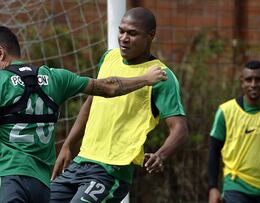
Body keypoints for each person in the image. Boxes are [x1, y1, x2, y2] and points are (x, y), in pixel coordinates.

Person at [0, 26, 167, 203]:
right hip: (42, 188)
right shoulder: (55, 78)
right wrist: (145, 78)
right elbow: (108, 87)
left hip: (9, 181)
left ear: (0, 53)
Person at [50, 7, 188, 203]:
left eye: (132, 33)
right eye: (121, 31)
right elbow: (91, 104)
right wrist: (68, 146)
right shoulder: (109, 57)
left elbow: (180, 129)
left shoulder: (161, 77)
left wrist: (161, 155)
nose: (123, 38)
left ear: (151, 35)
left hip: (111, 171)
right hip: (82, 161)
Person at [208, 60, 260, 203]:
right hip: (237, 186)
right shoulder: (226, 111)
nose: (253, 84)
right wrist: (213, 187)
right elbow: (214, 150)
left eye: (258, 79)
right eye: (248, 79)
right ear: (242, 82)